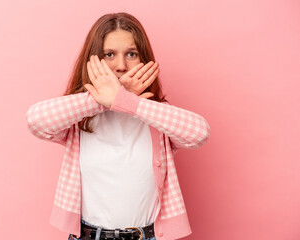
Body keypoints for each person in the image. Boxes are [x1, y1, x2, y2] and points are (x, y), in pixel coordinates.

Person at [25, 12, 211, 240]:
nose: (121, 66)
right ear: (93, 59)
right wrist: (102, 99)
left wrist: (126, 101)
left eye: (131, 54)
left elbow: (199, 133)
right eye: (109, 54)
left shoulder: (155, 116)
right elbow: (36, 120)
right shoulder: (79, 117)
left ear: (143, 59)